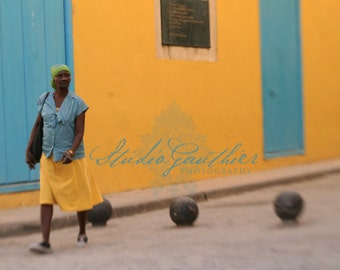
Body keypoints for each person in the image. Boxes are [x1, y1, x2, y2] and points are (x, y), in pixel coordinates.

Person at [25, 64, 103, 254]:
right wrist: (29, 149)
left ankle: (82, 232)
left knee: (80, 196)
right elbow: (37, 125)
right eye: (60, 76)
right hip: (48, 157)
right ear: (54, 79)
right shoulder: (44, 100)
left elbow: (79, 132)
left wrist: (71, 151)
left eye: (67, 75)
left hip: (72, 159)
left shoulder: (78, 103)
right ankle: (45, 241)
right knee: (46, 198)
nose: (64, 78)